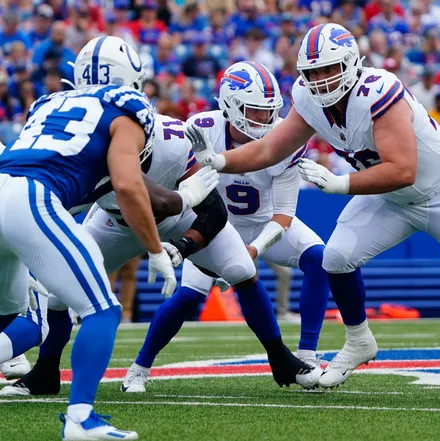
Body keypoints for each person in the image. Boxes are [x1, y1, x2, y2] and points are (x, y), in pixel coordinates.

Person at [189, 23, 440, 403]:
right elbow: (270, 150)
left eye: (328, 69)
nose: (319, 79)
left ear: (351, 63)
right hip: (392, 198)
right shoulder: (307, 98)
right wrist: (218, 160)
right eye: (312, 71)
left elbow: (403, 169)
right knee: (335, 258)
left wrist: (339, 184)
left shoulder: (378, 91)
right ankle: (358, 342)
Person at [0, 111, 318, 398]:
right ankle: (46, 371)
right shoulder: (85, 154)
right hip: (115, 223)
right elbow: (57, 209)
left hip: (178, 219)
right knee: (56, 297)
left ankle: (279, 357)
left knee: (239, 268)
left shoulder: (176, 142)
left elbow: (214, 213)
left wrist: (183, 248)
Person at [0, 35, 176, 440]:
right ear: (133, 78)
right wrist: (154, 249)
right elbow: (129, 186)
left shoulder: (48, 104)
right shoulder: (127, 109)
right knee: (100, 309)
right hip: (31, 197)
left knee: (17, 312)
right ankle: (80, 420)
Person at [150, 61, 330, 384]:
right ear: (230, 106)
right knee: (189, 295)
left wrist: (254, 249)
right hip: (216, 227)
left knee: (321, 258)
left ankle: (306, 356)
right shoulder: (202, 128)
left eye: (268, 111)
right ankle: (140, 367)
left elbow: (284, 214)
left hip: (265, 225)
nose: (264, 119)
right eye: (255, 111)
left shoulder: (283, 139)